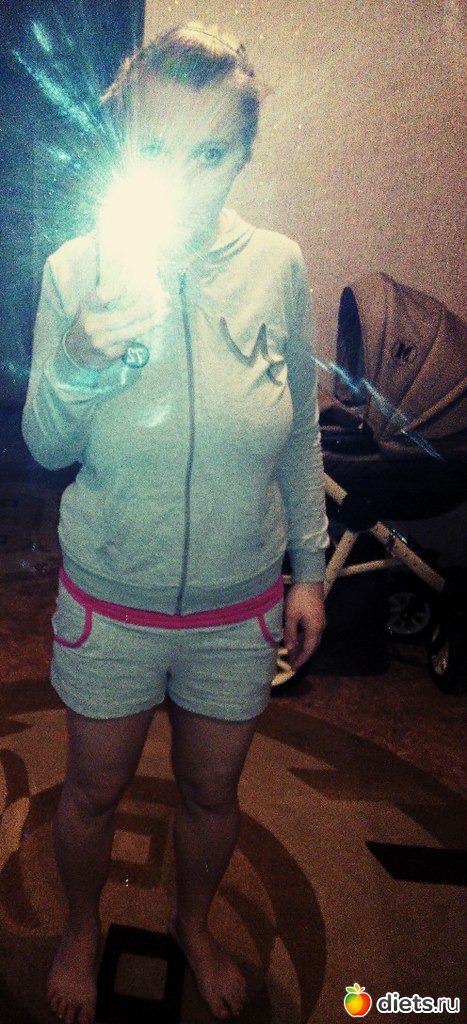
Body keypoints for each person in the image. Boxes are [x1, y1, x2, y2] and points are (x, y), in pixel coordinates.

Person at [22, 22, 328, 1024]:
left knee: (210, 794)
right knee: (90, 793)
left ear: (243, 153)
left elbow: (298, 432)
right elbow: (45, 446)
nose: (186, 181)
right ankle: (80, 927)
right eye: (155, 148)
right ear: (122, 146)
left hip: (237, 607)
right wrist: (78, 358)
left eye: (210, 152)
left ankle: (193, 925)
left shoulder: (277, 265)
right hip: (111, 599)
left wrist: (310, 568)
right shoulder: (75, 269)